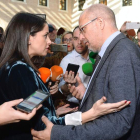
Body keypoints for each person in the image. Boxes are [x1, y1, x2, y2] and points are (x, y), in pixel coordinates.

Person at [0, 12, 130, 140]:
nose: (50, 41)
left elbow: (29, 113)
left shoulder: (14, 66)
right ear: (29, 38)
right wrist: (90, 114)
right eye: (45, 36)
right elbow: (42, 126)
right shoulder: (20, 70)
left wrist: (54, 112)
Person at [31, 4, 140, 140]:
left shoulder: (123, 53)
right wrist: (86, 95)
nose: (81, 37)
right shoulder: (112, 50)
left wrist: (59, 134)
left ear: (100, 23)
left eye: (83, 29)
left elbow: (120, 122)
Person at [59, 26, 91, 106]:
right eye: (76, 38)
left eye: (82, 39)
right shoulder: (67, 60)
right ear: (72, 40)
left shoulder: (95, 57)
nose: (79, 42)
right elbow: (62, 90)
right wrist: (68, 84)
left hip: (94, 103)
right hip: (75, 106)